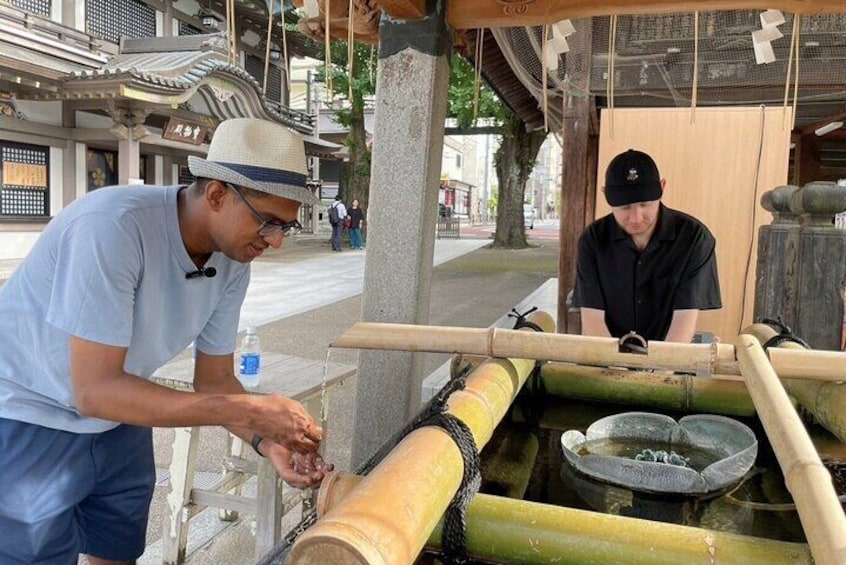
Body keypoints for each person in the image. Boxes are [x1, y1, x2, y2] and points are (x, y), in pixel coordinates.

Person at [0, 118, 333, 564]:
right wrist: (250, 409)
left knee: (117, 549)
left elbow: (214, 382)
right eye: (268, 222)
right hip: (29, 414)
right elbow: (94, 389)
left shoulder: (234, 257)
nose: (274, 242)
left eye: (286, 227)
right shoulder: (112, 225)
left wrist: (268, 443)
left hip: (120, 416)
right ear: (216, 194)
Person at [572, 149, 721, 343]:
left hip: (669, 354)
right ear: (604, 194)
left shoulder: (694, 238)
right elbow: (592, 318)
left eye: (645, 204)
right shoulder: (592, 240)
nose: (636, 218)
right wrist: (616, 368)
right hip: (607, 357)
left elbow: (684, 318)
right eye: (624, 207)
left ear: (662, 187)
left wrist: (661, 370)